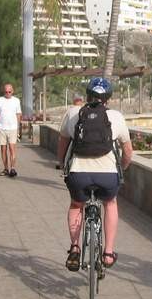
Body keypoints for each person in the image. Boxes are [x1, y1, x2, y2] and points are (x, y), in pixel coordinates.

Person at [57, 78, 133, 272]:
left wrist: (61, 164)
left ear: (87, 95)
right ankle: (108, 253)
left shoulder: (73, 113)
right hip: (107, 176)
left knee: (76, 205)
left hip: (78, 174)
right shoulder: (116, 116)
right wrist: (123, 168)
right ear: (108, 98)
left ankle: (75, 248)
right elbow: (128, 151)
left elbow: (63, 144)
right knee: (110, 203)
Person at [0, 83, 22, 177]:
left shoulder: (16, 101)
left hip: (13, 128)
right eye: (6, 92)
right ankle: (5, 169)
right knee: (3, 149)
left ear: (12, 91)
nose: (8, 93)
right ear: (3, 91)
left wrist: (18, 128)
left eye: (9, 92)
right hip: (1, 128)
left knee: (12, 149)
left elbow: (18, 114)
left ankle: (12, 168)